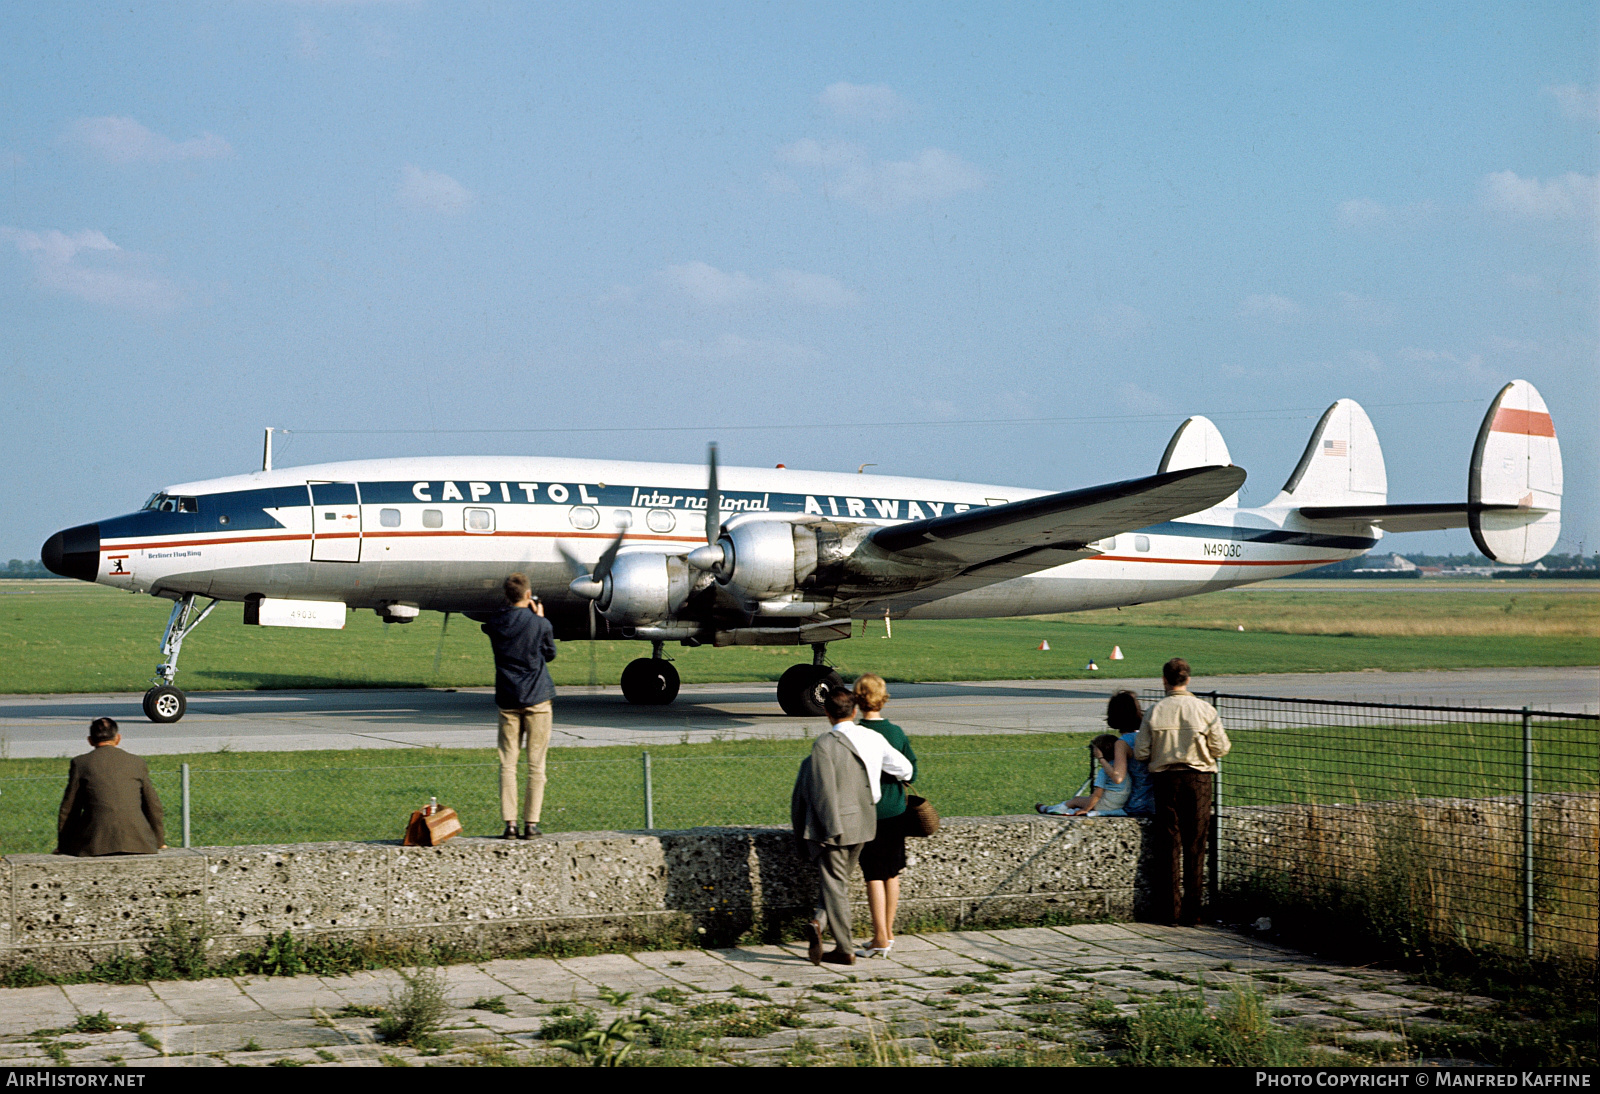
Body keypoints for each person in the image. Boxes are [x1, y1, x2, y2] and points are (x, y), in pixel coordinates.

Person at [791, 686, 913, 967]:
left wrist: (829, 829)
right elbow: (906, 769)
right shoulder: (872, 737)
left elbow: (822, 791)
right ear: (855, 710)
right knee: (838, 883)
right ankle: (818, 922)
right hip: (866, 822)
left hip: (837, 824)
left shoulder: (825, 743)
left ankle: (844, 948)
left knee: (834, 883)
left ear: (826, 713)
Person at [1135, 658, 1231, 926]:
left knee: (1169, 844)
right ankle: (1193, 911)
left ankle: (1170, 912)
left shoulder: (1154, 712)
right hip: (1199, 779)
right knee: (1196, 844)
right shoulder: (1204, 709)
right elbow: (1222, 748)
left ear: (1164, 680)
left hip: (1165, 780)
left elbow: (1141, 752)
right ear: (1188, 679)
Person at [467, 573, 557, 840]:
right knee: (536, 765)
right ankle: (531, 824)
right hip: (538, 698)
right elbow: (549, 654)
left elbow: (496, 624)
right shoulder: (540, 624)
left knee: (508, 763)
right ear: (528, 595)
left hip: (508, 698)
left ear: (507, 596)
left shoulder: (495, 623)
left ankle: (510, 824)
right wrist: (539, 620)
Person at [852, 673, 917, 959]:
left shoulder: (855, 733)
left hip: (869, 811)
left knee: (873, 875)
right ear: (883, 698)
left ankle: (879, 937)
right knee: (892, 872)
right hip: (897, 809)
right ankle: (888, 932)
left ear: (857, 699)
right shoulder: (896, 732)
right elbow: (912, 768)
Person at [55, 718, 166, 856]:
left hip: (94, 844)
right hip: (139, 842)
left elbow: (70, 809)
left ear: (90, 740)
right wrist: (159, 841)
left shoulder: (81, 763)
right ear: (118, 738)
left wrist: (63, 845)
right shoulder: (137, 762)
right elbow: (153, 806)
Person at [1036, 734, 1132, 816]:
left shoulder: (1104, 771)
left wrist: (1085, 809)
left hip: (1105, 805)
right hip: (1118, 804)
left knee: (1075, 800)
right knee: (1085, 800)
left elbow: (1097, 794)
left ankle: (1054, 810)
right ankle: (1050, 808)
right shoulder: (1121, 768)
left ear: (1099, 752)